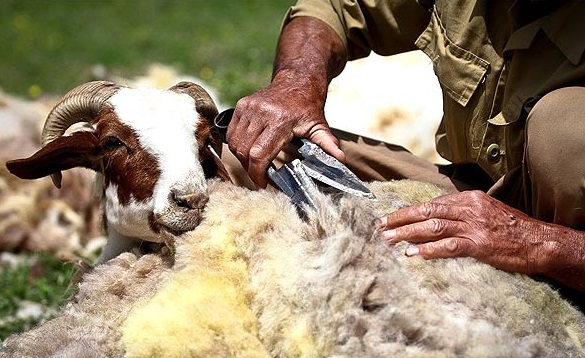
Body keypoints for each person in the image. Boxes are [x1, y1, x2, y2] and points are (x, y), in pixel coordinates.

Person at [221, 0, 585, 300]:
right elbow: (337, 7)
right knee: (254, 155)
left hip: (564, 241)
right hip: (472, 192)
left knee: (564, 131)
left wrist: (542, 244)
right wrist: (296, 81)